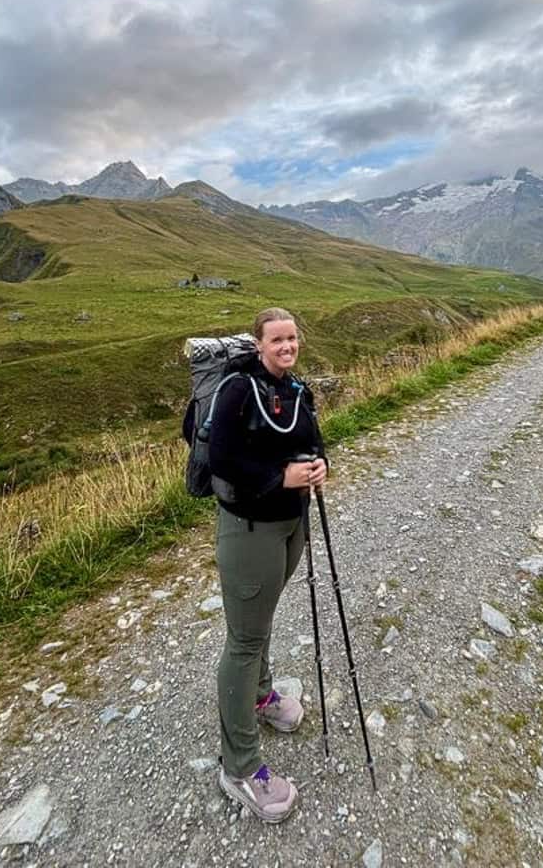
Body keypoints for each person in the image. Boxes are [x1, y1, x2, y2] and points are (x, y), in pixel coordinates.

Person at [208, 307, 328, 823]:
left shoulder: (297, 390)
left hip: (291, 525)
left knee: (261, 623)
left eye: (293, 338)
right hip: (249, 529)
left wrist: (321, 464)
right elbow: (223, 461)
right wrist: (283, 479)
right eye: (277, 339)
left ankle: (260, 698)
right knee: (245, 640)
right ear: (258, 343)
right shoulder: (237, 391)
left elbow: (311, 443)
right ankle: (238, 767)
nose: (287, 346)